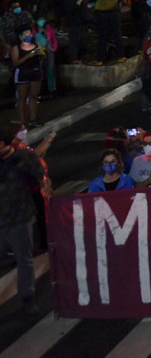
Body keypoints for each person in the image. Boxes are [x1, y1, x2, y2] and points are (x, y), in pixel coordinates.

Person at [0, 126, 45, 314]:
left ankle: (27, 296)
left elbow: (41, 179)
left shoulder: (25, 158)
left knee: (23, 259)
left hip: (20, 217)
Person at [10, 27, 43, 128]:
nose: (28, 37)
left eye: (30, 35)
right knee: (22, 98)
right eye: (26, 35)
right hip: (23, 74)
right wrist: (28, 56)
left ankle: (33, 119)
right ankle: (23, 120)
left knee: (34, 97)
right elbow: (15, 63)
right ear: (20, 37)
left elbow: (43, 55)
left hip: (35, 72)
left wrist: (41, 53)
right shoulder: (17, 48)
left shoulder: (36, 44)